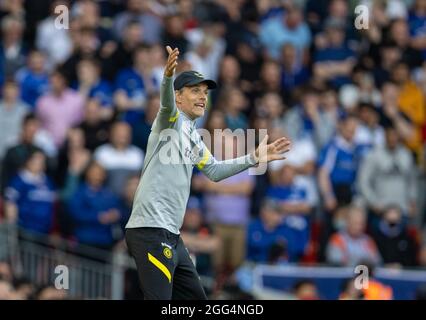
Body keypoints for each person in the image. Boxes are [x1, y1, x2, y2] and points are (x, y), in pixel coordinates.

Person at [124, 46, 291, 300]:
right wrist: (168, 77)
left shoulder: (193, 134)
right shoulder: (170, 119)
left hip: (171, 234)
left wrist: (254, 157)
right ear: (178, 97)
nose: (203, 96)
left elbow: (213, 170)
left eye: (204, 92)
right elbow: (166, 104)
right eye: (195, 91)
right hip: (150, 230)